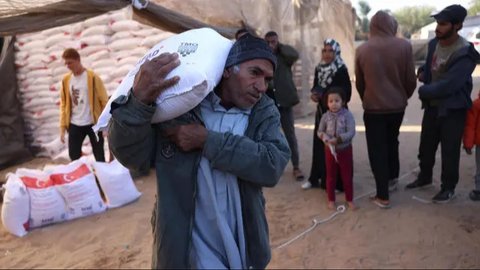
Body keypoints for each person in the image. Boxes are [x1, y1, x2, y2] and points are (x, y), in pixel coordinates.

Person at [108, 34, 290, 269]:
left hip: (243, 251)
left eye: (267, 79)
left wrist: (207, 141)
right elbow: (132, 157)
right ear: (227, 70)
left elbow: (272, 165)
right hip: (187, 254)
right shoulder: (179, 109)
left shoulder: (263, 112)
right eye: (254, 73)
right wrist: (138, 103)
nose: (262, 87)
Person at [405, 4, 480, 203]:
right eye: (438, 23)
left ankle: (448, 188)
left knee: (449, 150)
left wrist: (424, 90)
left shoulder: (466, 52)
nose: (438, 27)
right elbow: (430, 68)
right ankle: (425, 177)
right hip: (432, 106)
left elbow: (450, 84)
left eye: (443, 24)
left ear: (457, 26)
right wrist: (423, 74)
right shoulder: (433, 44)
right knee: (426, 146)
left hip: (453, 109)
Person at [355, 11, 417, 208]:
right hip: (397, 107)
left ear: (372, 26)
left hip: (373, 108)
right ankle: (392, 180)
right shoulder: (404, 46)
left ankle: (382, 196)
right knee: (392, 142)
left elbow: (360, 82)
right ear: (392, 25)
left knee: (377, 149)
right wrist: (401, 96)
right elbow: (410, 80)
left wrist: (368, 97)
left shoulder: (363, 50)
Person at [302, 38, 352, 190]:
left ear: (336, 52)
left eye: (330, 50)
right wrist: (315, 94)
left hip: (338, 115)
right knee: (319, 145)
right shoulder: (319, 68)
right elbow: (316, 86)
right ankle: (315, 178)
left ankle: (337, 183)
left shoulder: (341, 69)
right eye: (324, 50)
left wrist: (331, 98)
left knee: (337, 146)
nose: (327, 53)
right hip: (322, 113)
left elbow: (347, 93)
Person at [264, 31, 304, 181]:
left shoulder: (284, 56)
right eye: (268, 42)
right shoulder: (264, 57)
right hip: (270, 103)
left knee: (290, 135)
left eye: (273, 42)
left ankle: (296, 167)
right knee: (270, 136)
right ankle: (272, 167)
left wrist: (279, 47)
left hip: (285, 102)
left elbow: (294, 54)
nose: (270, 45)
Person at [59, 48, 108, 162]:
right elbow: (63, 104)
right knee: (74, 155)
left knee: (99, 155)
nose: (68, 66)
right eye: (66, 63)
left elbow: (104, 100)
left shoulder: (92, 77)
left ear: (78, 60)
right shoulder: (66, 80)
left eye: (70, 62)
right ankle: (82, 178)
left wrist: (106, 123)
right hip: (74, 123)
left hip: (93, 123)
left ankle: (101, 178)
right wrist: (62, 128)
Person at [317, 87, 356, 210]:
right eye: (331, 101)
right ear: (327, 103)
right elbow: (319, 131)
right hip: (329, 150)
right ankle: (331, 200)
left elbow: (351, 132)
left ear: (343, 102)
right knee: (330, 175)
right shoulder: (325, 116)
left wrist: (338, 139)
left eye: (337, 100)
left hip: (345, 150)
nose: (333, 104)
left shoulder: (348, 115)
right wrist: (324, 137)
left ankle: (349, 200)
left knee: (347, 175)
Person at [463, 90, 480, 201]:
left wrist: (468, 144)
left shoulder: (476, 104)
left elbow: (470, 126)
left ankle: (479, 190)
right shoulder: (476, 105)